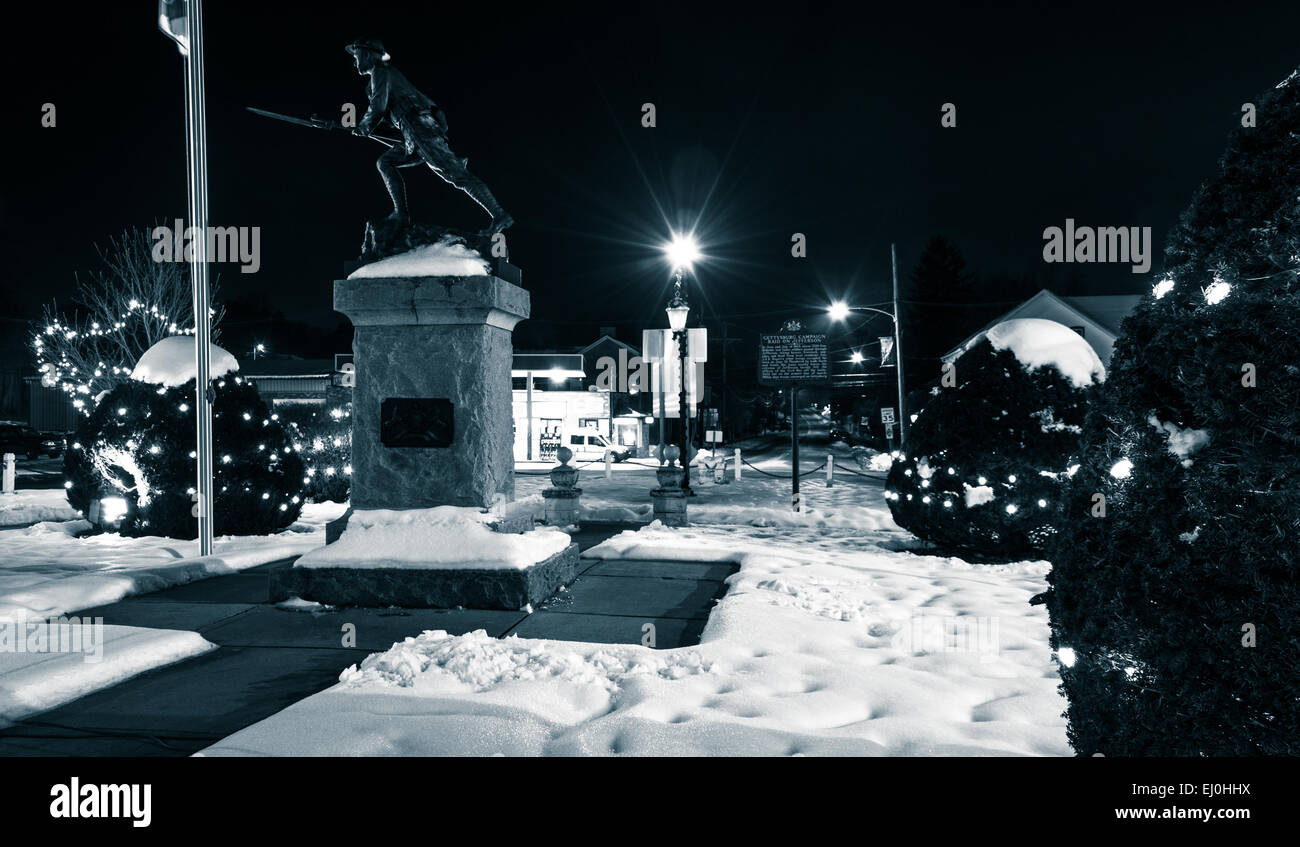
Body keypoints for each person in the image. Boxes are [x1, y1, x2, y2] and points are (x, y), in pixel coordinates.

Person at [345, 38, 513, 234]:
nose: (354, 62)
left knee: (456, 175)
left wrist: (365, 126)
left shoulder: (381, 71)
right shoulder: (383, 77)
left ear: (366, 54)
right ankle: (401, 215)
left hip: (420, 128)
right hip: (413, 131)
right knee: (385, 162)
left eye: (356, 56)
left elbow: (378, 107)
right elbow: (392, 123)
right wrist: (365, 129)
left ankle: (499, 215)